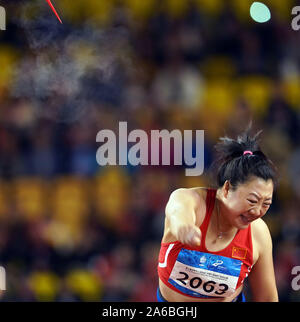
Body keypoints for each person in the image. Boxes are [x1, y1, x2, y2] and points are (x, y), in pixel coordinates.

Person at [157, 127, 279, 302]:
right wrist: (184, 227)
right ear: (227, 189)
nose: (257, 212)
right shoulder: (191, 201)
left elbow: (267, 298)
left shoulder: (258, 233)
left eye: (266, 204)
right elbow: (177, 211)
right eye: (252, 201)